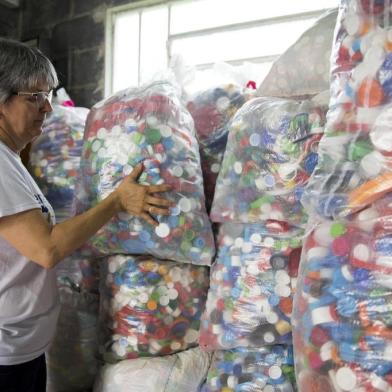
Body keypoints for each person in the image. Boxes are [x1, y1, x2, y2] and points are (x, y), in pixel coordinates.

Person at [0, 38, 173, 392]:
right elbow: (45, 249)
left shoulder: (11, 158)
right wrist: (117, 201)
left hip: (22, 346)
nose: (47, 108)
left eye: (48, 96)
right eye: (35, 97)